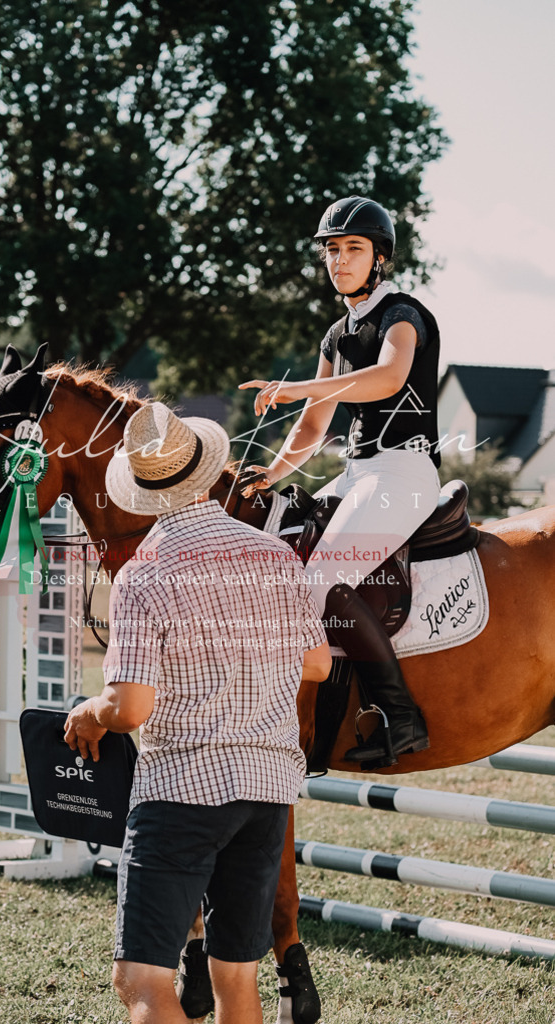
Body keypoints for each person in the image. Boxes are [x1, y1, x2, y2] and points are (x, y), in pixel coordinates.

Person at [64, 401, 331, 1024]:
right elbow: (317, 664)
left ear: (141, 492)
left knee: (139, 979)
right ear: (206, 472)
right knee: (237, 978)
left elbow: (130, 707)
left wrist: (90, 713)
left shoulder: (144, 574)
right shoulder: (274, 556)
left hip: (182, 790)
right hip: (267, 789)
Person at [239, 195, 442, 769]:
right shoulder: (335, 335)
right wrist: (272, 474)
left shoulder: (403, 315)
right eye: (332, 250)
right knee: (278, 554)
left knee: (324, 578)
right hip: (356, 472)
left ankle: (401, 717)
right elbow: (313, 425)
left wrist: (301, 385)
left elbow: (388, 377)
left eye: (354, 248)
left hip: (404, 472)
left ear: (380, 258)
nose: (340, 260)